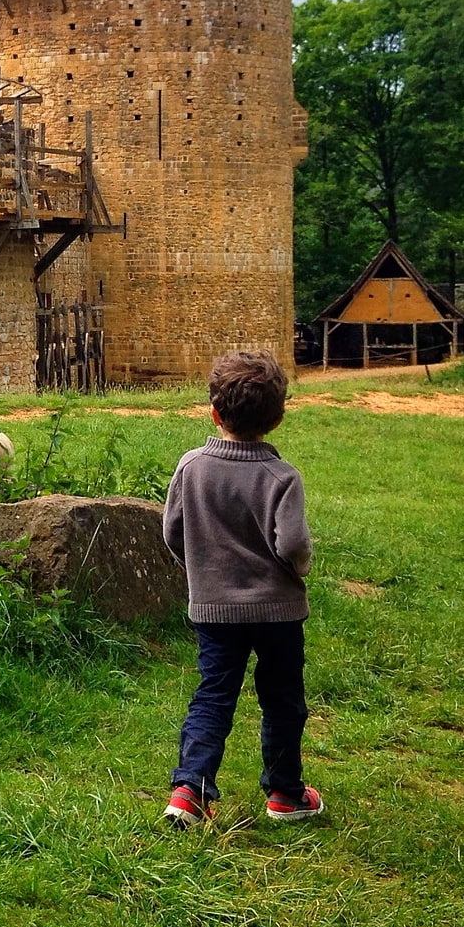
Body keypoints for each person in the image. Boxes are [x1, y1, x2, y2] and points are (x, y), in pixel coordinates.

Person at [161, 350, 323, 827]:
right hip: (278, 612)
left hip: (213, 610)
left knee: (214, 694)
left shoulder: (192, 467)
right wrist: (300, 568)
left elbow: (172, 531)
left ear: (214, 411)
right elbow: (292, 543)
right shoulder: (282, 477)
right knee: (283, 699)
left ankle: (190, 790)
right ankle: (285, 794)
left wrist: (201, 570)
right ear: (277, 419)